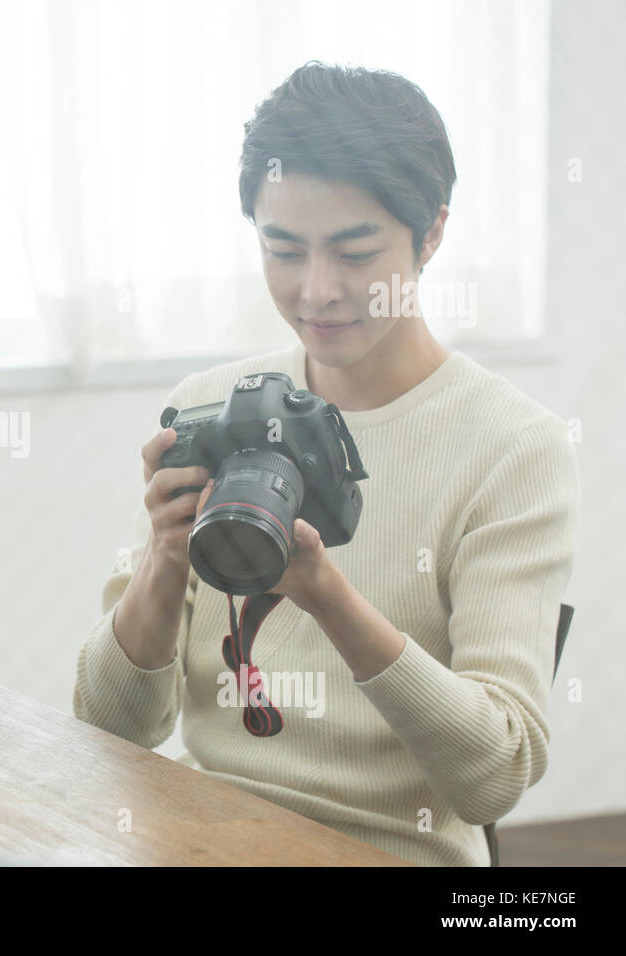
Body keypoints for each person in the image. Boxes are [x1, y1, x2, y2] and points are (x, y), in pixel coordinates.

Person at [72, 61, 580, 867]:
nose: (318, 291)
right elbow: (111, 727)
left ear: (433, 231)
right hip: (198, 837)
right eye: (283, 249)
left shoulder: (511, 449)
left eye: (355, 251)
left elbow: (495, 775)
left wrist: (325, 594)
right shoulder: (216, 404)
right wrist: (165, 562)